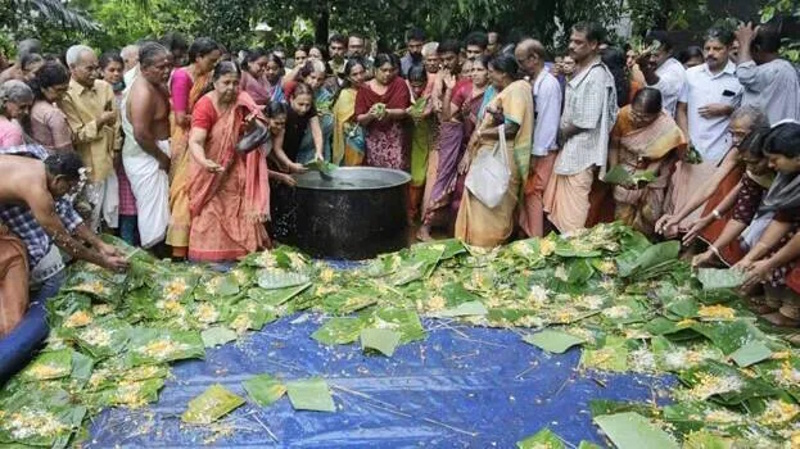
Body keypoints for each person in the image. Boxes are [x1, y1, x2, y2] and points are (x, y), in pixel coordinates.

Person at [0, 148, 128, 335]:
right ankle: (12, 340)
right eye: (68, 188)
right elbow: (63, 241)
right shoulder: (37, 190)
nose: (67, 193)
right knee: (14, 278)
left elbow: (64, 210)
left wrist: (100, 245)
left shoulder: (43, 163)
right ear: (59, 180)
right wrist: (104, 262)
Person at [186, 61, 270, 262]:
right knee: (210, 213)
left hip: (235, 170)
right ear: (215, 82)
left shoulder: (243, 101)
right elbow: (196, 141)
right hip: (209, 173)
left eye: (235, 83)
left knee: (239, 208)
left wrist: (251, 127)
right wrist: (204, 162)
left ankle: (241, 258)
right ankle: (208, 261)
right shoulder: (205, 105)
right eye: (226, 83)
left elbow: (259, 133)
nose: (231, 88)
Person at [544, 22, 618, 234]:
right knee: (563, 215)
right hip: (572, 150)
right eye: (571, 41)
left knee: (573, 222)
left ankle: (573, 249)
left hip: (582, 153)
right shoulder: (583, 71)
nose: (571, 46)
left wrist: (561, 133)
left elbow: (586, 120)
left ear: (593, 44)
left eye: (578, 42)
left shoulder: (597, 76)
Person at [454, 54, 534, 247]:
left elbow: (512, 128)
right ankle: (475, 246)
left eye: (491, 72)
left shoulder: (517, 89)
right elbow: (501, 120)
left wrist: (483, 134)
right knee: (480, 201)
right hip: (490, 153)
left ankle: (486, 246)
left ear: (503, 73)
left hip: (502, 155)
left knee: (493, 203)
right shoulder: (501, 90)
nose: (488, 76)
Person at [670, 28, 743, 229]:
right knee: (682, 198)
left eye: (717, 48)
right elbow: (681, 109)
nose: (711, 53)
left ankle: (698, 238)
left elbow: (748, 114)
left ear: (728, 49)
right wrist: (685, 138)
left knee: (709, 200)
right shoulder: (691, 74)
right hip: (693, 148)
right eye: (707, 48)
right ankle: (678, 233)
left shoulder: (739, 77)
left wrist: (729, 109)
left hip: (720, 151)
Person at [657, 106, 768, 237]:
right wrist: (678, 217)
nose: (735, 140)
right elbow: (710, 185)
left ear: (758, 132)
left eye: (740, 134)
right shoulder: (737, 151)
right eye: (732, 134)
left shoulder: (774, 151)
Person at [735, 122, 800, 326]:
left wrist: (770, 264)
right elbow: (783, 219)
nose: (770, 165)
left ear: (797, 158)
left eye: (775, 159)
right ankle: (777, 303)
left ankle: (792, 314)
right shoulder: (789, 178)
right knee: (772, 242)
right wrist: (750, 258)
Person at [166, 37, 221, 258]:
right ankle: (178, 250)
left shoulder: (207, 77)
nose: (214, 65)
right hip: (185, 137)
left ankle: (198, 245)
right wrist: (208, 120)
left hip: (202, 136)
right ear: (198, 57)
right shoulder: (182, 77)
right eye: (211, 60)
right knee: (184, 191)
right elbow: (181, 118)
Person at [607, 88, 686, 236]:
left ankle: (643, 241)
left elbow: (659, 160)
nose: (637, 120)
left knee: (649, 214)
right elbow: (613, 145)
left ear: (657, 114)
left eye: (644, 118)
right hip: (626, 166)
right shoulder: (623, 115)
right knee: (622, 214)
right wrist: (615, 171)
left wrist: (642, 179)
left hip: (653, 173)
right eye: (635, 114)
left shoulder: (666, 127)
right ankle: (621, 240)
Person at [691, 127, 774, 267]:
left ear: (770, 158)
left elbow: (784, 219)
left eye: (755, 162)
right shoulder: (754, 176)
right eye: (746, 163)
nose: (750, 168)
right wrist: (712, 250)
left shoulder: (789, 175)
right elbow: (741, 216)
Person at [60, 45, 121, 232]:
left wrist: (115, 150)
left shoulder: (104, 87)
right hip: (85, 169)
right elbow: (76, 136)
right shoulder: (66, 95)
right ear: (72, 68)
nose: (95, 73)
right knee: (88, 219)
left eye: (96, 68)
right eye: (89, 69)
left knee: (111, 217)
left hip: (108, 163)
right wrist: (100, 122)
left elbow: (116, 125)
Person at [122, 42, 173, 250]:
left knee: (163, 211)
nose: (166, 71)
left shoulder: (156, 85)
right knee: (153, 214)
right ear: (144, 69)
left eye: (168, 66)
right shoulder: (142, 92)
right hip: (146, 157)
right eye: (160, 67)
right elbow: (141, 134)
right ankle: (153, 254)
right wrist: (162, 158)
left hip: (157, 153)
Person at [516, 38, 563, 238]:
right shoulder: (533, 81)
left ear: (534, 58)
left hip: (542, 152)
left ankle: (535, 239)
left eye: (521, 61)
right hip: (533, 148)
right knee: (528, 194)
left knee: (533, 193)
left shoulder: (549, 84)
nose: (519, 66)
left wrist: (536, 155)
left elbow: (547, 123)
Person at [734, 22, 800, 124]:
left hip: (774, 133)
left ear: (757, 49)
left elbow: (744, 74)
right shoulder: (780, 68)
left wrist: (745, 43)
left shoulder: (777, 69)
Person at [355, 54, 411, 170]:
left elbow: (403, 111)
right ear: (375, 70)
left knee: (397, 170)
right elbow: (360, 118)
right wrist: (370, 115)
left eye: (391, 70)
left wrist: (387, 112)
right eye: (384, 70)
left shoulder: (399, 83)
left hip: (396, 138)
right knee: (376, 172)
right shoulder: (365, 88)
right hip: (374, 139)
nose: (387, 74)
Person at [406, 65, 435, 220]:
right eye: (414, 86)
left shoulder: (430, 95)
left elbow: (429, 111)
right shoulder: (404, 91)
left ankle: (413, 212)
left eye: (420, 85)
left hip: (422, 142)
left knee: (418, 177)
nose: (417, 89)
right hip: (405, 140)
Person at [273, 82, 323, 168]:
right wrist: (290, 164)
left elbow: (316, 131)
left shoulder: (310, 108)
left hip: (294, 148)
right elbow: (277, 147)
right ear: (291, 99)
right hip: (276, 155)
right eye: (300, 104)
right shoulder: (283, 112)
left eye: (307, 105)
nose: (304, 109)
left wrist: (318, 152)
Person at [637, 31, 686, 117]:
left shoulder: (675, 70)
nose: (651, 59)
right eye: (648, 55)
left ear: (669, 52)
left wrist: (645, 68)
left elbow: (659, 88)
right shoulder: (654, 67)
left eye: (656, 55)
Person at [28, 62, 72, 152]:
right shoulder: (53, 114)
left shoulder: (33, 105)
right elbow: (64, 150)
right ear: (43, 88)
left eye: (65, 90)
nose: (63, 94)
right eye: (59, 90)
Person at [331, 58, 368, 166]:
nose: (359, 77)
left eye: (362, 72)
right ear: (348, 77)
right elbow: (346, 120)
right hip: (352, 139)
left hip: (369, 138)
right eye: (355, 74)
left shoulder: (369, 89)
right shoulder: (345, 94)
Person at [0, 80, 33, 147]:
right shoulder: (12, 131)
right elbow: (10, 154)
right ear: (5, 102)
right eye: (22, 107)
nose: (26, 112)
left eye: (29, 107)